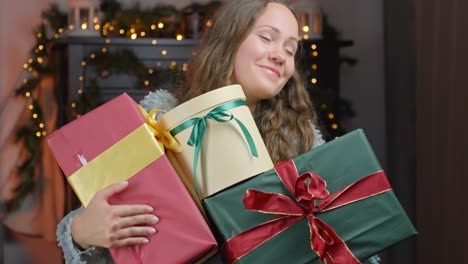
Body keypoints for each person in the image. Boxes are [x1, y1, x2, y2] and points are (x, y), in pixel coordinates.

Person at [57, 0, 380, 263]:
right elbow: (101, 225)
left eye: (291, 49)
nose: (280, 55)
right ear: (230, 40)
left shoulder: (301, 137)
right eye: (267, 37)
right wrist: (82, 232)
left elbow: (350, 238)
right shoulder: (159, 119)